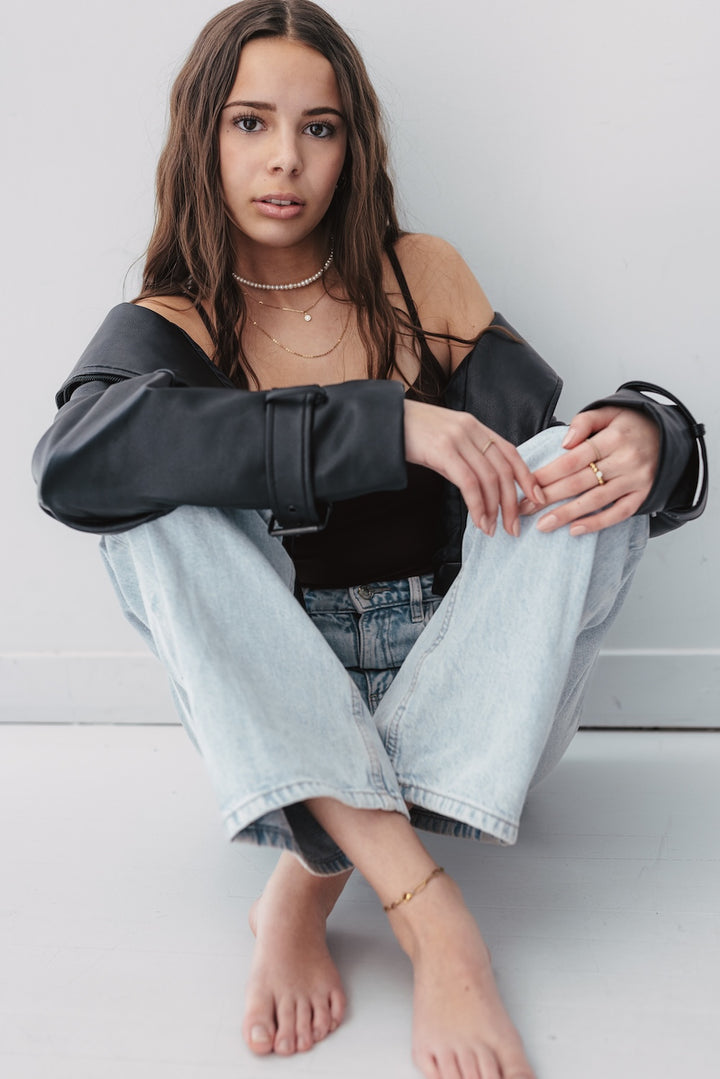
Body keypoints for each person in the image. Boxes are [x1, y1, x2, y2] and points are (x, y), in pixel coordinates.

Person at [32, 2, 707, 1077]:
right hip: (281, 685)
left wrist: (648, 434)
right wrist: (386, 422)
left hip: (474, 680)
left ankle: (306, 880)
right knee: (155, 508)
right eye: (250, 123)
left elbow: (538, 455)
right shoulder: (174, 323)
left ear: (354, 146)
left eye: (321, 127)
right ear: (203, 135)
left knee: (562, 465)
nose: (286, 160)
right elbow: (72, 466)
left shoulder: (417, 275)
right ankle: (433, 915)